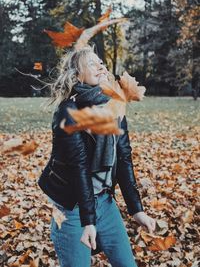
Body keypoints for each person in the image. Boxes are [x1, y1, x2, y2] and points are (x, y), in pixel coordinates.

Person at [38, 45, 155, 267]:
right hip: (72, 209)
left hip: (105, 202)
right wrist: (88, 221)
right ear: (77, 74)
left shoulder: (114, 105)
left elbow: (123, 157)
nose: (100, 66)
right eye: (92, 63)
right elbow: (78, 168)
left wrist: (136, 209)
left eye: (101, 62)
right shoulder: (68, 112)